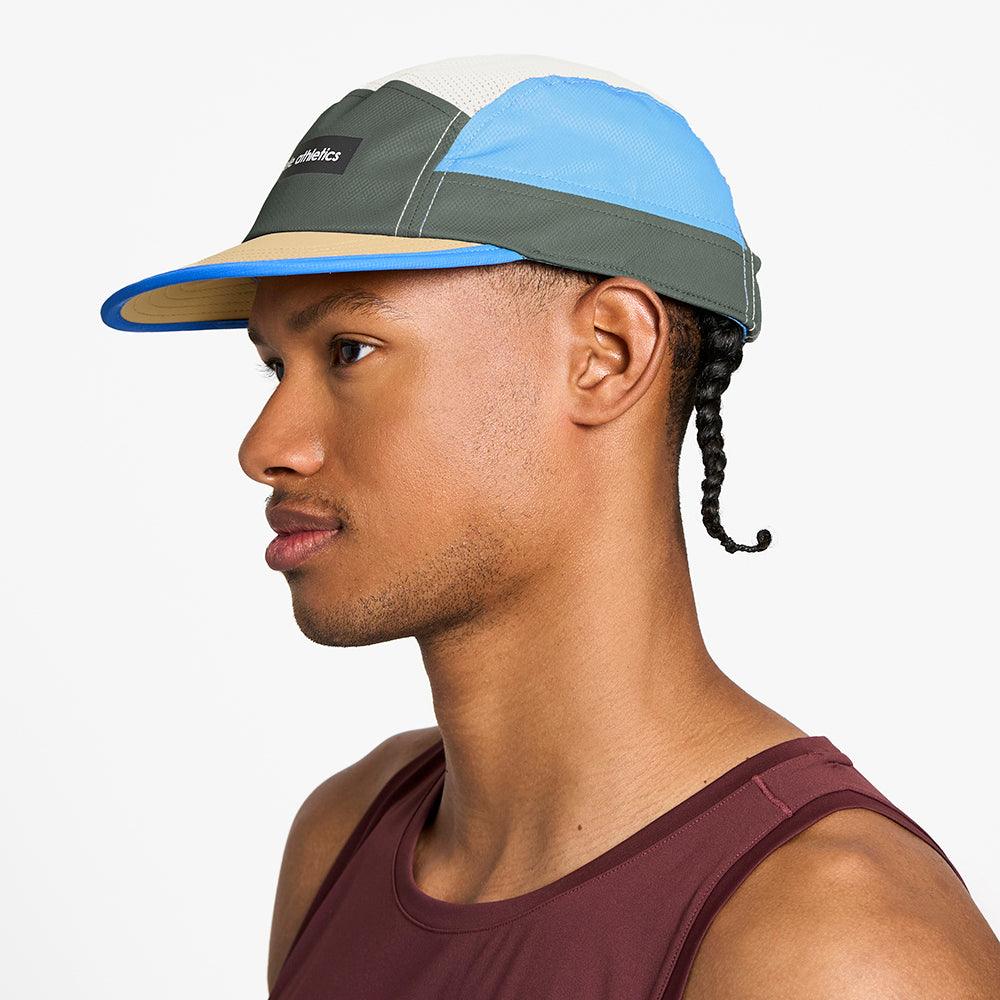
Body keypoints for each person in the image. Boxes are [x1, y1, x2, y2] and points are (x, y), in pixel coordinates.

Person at [102, 54, 999, 999]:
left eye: (350, 350)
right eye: (275, 367)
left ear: (608, 353)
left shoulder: (835, 946)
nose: (266, 447)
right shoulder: (341, 839)